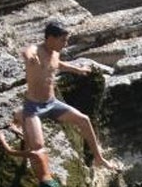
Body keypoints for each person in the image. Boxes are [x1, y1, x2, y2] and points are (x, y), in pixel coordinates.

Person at [18, 21, 118, 170]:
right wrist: (30, 57)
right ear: (50, 38)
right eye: (62, 40)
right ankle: (26, 154)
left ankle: (99, 158)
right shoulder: (36, 50)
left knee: (84, 120)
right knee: (38, 145)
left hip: (52, 104)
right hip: (34, 107)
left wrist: (77, 69)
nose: (65, 44)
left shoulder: (56, 53)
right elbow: (26, 51)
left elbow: (58, 64)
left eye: (66, 40)